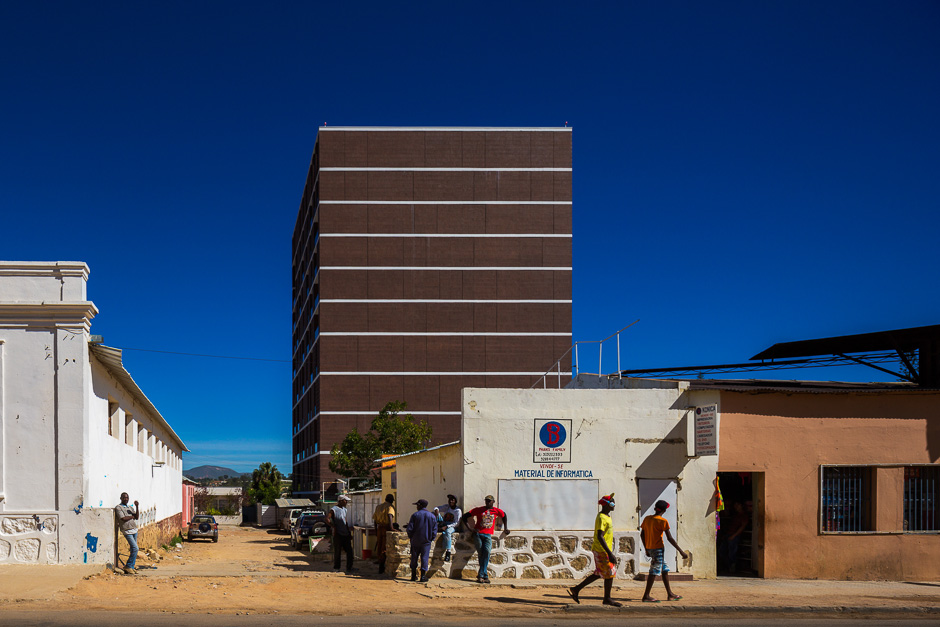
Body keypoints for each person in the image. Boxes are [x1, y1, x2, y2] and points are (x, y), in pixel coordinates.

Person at [567, 493, 621, 607]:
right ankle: (607, 598)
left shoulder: (607, 517)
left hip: (603, 550)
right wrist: (609, 553)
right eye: (612, 504)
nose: (614, 506)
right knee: (610, 573)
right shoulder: (601, 517)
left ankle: (576, 589)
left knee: (599, 573)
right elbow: (600, 536)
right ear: (606, 505)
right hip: (601, 550)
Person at [640, 499, 688, 603]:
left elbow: (642, 534)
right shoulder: (663, 521)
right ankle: (646, 596)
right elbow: (669, 538)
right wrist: (681, 551)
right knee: (653, 572)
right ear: (664, 510)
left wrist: (646, 548)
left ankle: (670, 594)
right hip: (658, 549)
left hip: (650, 549)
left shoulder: (647, 519)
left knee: (664, 570)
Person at [460, 494, 509, 584]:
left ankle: (481, 575)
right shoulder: (479, 510)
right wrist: (470, 529)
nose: (488, 502)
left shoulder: (496, 511)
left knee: (487, 552)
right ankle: (484, 576)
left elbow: (504, 515)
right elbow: (464, 516)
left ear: (493, 502)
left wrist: (506, 528)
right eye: (486, 501)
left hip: (488, 535)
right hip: (478, 534)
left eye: (489, 501)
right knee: (481, 553)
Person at [406, 499, 437, 582]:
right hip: (426, 541)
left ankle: (413, 576)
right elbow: (434, 530)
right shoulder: (432, 516)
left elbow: (409, 529)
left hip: (415, 540)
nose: (416, 507)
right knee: (424, 558)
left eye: (417, 505)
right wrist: (431, 538)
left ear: (420, 505)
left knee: (414, 557)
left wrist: (411, 537)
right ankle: (422, 576)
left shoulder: (415, 515)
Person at [114, 492, 140, 575]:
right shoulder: (119, 507)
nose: (126, 499)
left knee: (133, 549)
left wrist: (137, 507)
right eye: (124, 497)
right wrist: (132, 516)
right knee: (135, 548)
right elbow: (123, 518)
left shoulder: (130, 507)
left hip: (134, 530)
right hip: (126, 530)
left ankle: (131, 567)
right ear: (121, 498)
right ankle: (128, 566)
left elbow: (137, 517)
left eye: (127, 498)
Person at [329, 494, 354, 573]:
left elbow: (345, 521)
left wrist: (348, 532)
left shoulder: (344, 509)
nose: (346, 502)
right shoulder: (334, 509)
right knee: (338, 551)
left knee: (349, 551)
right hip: (338, 534)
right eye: (345, 500)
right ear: (341, 501)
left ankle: (349, 567)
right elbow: (327, 518)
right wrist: (333, 526)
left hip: (345, 533)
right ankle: (336, 568)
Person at [432, 494, 461, 562]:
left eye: (452, 500)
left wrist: (447, 526)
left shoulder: (458, 511)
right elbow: (436, 507)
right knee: (433, 514)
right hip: (444, 523)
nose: (450, 501)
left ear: (455, 501)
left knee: (447, 532)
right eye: (449, 500)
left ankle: (448, 552)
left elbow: (457, 523)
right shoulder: (447, 507)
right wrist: (436, 510)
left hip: (452, 526)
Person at [373, 493, 396, 574]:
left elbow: (375, 520)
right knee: (384, 547)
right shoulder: (390, 507)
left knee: (379, 546)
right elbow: (390, 516)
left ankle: (380, 564)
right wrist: (392, 528)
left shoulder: (378, 507)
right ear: (391, 500)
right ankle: (382, 566)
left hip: (379, 527)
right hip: (386, 527)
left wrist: (376, 530)